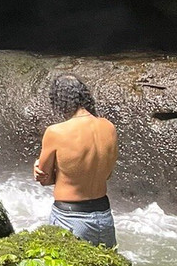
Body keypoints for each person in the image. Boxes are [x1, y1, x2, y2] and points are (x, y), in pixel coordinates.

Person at [33, 74, 118, 247]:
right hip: (104, 216)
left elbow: (45, 179)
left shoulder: (56, 132)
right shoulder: (109, 127)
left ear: (60, 100)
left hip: (70, 218)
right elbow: (107, 174)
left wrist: (37, 168)